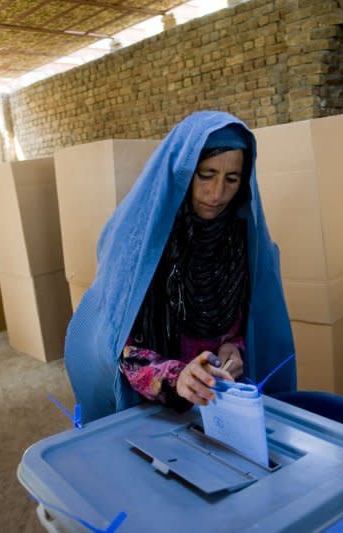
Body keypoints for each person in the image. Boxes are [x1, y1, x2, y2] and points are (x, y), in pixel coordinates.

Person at [64, 111, 296, 422]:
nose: (217, 195)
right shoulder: (141, 243)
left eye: (231, 179)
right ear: (182, 172)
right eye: (206, 174)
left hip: (216, 401)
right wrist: (177, 377)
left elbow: (244, 320)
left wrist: (232, 347)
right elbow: (119, 349)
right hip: (152, 408)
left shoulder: (243, 239)